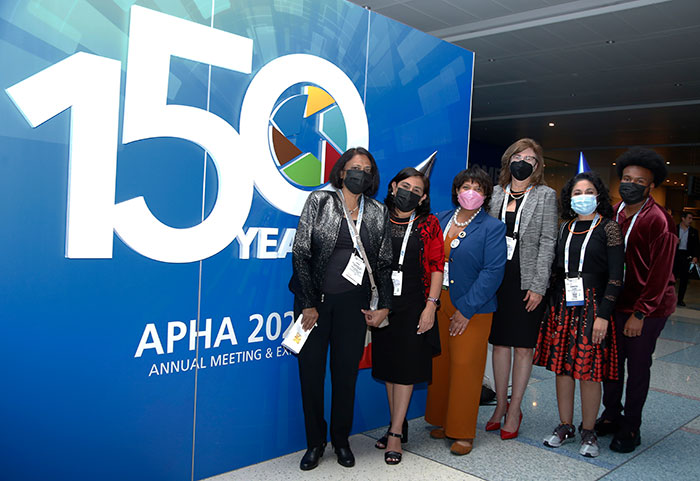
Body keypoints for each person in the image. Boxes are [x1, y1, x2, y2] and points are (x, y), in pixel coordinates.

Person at [290, 147, 393, 470]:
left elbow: (385, 263)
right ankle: (314, 443)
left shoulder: (377, 211)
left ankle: (341, 440)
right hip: (314, 306)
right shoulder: (320, 201)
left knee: (345, 377)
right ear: (342, 171)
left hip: (354, 307)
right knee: (311, 377)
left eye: (366, 169)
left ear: (372, 176)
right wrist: (307, 303)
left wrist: (384, 306)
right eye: (354, 167)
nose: (360, 173)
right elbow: (301, 252)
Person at [534, 171, 624, 458]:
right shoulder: (565, 228)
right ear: (569, 198)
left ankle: (588, 431)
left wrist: (604, 315)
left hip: (594, 306)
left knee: (589, 372)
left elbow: (616, 277)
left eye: (588, 192)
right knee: (563, 369)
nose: (582, 197)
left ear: (598, 195)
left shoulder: (609, 228)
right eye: (576, 192)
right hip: (563, 305)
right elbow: (555, 270)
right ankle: (565, 425)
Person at [596, 147, 677, 453]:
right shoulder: (613, 213)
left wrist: (640, 314)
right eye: (626, 178)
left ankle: (631, 427)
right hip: (614, 303)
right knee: (611, 365)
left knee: (638, 367)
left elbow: (660, 275)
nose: (631, 184)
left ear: (651, 185)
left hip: (648, 309)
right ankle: (611, 414)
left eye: (639, 180)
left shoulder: (660, 221)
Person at [425, 166, 507, 455]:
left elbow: (493, 271)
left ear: (485, 195)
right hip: (439, 302)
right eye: (465, 187)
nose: (470, 192)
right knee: (441, 363)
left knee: (465, 368)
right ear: (456, 191)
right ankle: (442, 420)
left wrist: (466, 309)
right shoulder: (441, 219)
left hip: (473, 308)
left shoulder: (493, 228)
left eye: (477, 188)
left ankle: (462, 432)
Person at [485, 138, 558, 439]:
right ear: (508, 159)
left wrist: (539, 286)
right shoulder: (494, 194)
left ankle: (515, 409)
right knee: (500, 344)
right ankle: (500, 405)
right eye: (518, 155)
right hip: (496, 278)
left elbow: (548, 241)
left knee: (523, 347)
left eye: (530, 158)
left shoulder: (546, 195)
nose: (523, 161)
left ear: (537, 166)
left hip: (527, 281)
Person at [371, 167, 444, 465]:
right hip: (383, 303)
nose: (409, 193)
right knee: (390, 370)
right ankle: (396, 425)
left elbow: (438, 266)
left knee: (405, 371)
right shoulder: (376, 218)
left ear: (424, 197)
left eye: (417, 190)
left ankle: (396, 434)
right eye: (405, 186)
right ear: (392, 187)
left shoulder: (429, 223)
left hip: (416, 304)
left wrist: (431, 305)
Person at [674, 211, 699, 306]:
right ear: (683, 218)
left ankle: (680, 299)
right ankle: (669, 298)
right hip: (676, 255)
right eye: (689, 218)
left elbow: (696, 246)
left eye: (692, 218)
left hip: (687, 256)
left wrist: (695, 256)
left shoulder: (693, 232)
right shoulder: (675, 229)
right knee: (672, 278)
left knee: (684, 279)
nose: (691, 220)